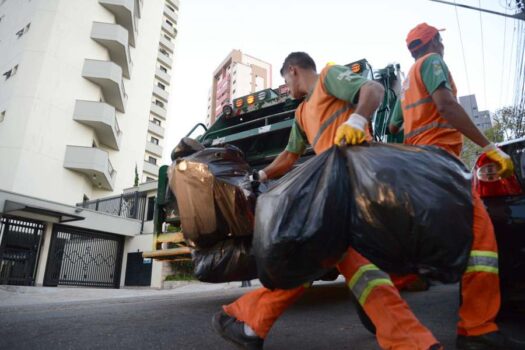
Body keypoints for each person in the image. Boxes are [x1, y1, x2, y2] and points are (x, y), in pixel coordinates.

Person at [212, 52, 442, 350]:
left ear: (293, 70)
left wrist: (358, 120)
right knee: (354, 269)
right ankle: (416, 343)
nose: (286, 88)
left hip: (355, 183)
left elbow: (374, 90)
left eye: (285, 81)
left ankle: (251, 322)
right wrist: (260, 176)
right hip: (336, 192)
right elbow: (289, 156)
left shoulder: (329, 78)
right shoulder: (301, 113)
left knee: (308, 255)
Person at [389, 23, 523, 350]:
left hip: (419, 163)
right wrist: (489, 147)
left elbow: (394, 125)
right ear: (434, 41)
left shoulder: (408, 80)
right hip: (439, 161)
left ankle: (396, 281)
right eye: (440, 38)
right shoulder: (433, 63)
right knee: (481, 235)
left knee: (421, 236)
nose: (442, 43)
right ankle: (476, 328)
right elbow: (447, 106)